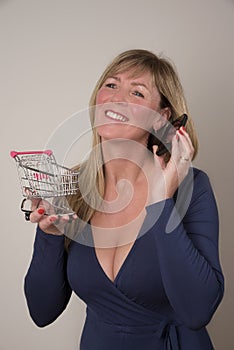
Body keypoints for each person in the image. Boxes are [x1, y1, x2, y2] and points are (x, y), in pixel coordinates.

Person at [24, 49, 224, 350]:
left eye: (138, 93)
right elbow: (42, 311)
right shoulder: (71, 189)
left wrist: (161, 202)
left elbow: (198, 311)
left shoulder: (192, 187)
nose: (118, 98)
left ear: (162, 118)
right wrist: (49, 235)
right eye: (112, 85)